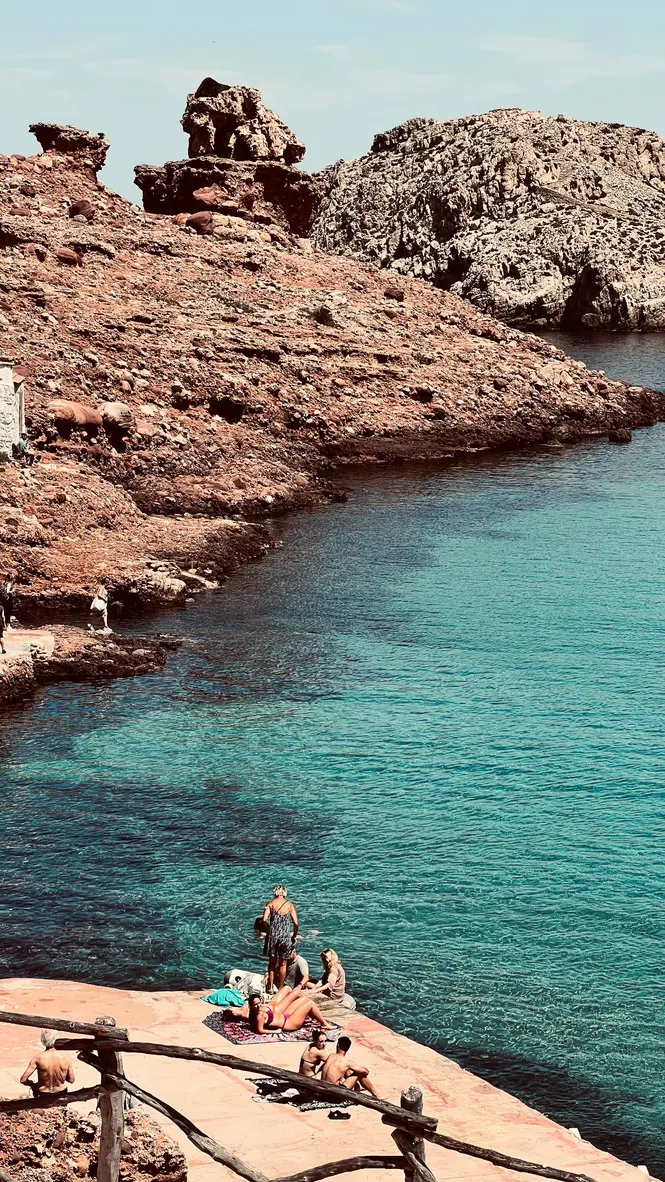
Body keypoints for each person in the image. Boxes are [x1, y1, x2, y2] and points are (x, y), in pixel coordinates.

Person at [240, 985, 332, 1034]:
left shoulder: (257, 1012)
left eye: (259, 1003)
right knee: (310, 1003)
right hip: (289, 1023)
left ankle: (313, 1017)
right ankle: (325, 1024)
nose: (259, 1006)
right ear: (251, 1006)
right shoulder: (259, 1016)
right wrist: (275, 1031)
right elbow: (260, 1030)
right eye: (256, 1004)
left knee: (304, 999)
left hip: (285, 1016)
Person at [262, 885, 299, 992]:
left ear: (275, 893)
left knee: (272, 963)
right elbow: (296, 923)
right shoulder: (289, 905)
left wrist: (268, 929)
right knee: (283, 964)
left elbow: (264, 919)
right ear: (285, 893)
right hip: (285, 936)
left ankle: (270, 987)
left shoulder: (270, 903)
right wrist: (294, 935)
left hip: (273, 936)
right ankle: (281, 988)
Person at [20, 1029, 75, 1098]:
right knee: (61, 1108)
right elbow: (71, 1080)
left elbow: (23, 1079)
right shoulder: (65, 1057)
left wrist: (32, 1084)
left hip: (42, 1093)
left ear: (43, 1039)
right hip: (61, 1093)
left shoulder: (38, 1058)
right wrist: (61, 1076)